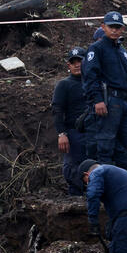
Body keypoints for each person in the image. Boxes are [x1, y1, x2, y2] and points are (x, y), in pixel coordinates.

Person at [82, 11, 127, 197]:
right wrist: (97, 99)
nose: (114, 30)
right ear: (103, 27)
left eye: (118, 27)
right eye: (111, 26)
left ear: (122, 28)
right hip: (108, 100)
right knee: (105, 148)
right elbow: (90, 76)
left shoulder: (123, 53)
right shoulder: (96, 49)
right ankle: (104, 193)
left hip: (124, 104)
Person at [52, 47, 88, 195]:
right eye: (73, 62)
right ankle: (75, 196)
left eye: (80, 60)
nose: (77, 64)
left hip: (95, 132)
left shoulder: (94, 83)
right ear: (68, 65)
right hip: (74, 133)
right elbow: (57, 110)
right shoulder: (64, 85)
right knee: (73, 167)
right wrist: (62, 133)